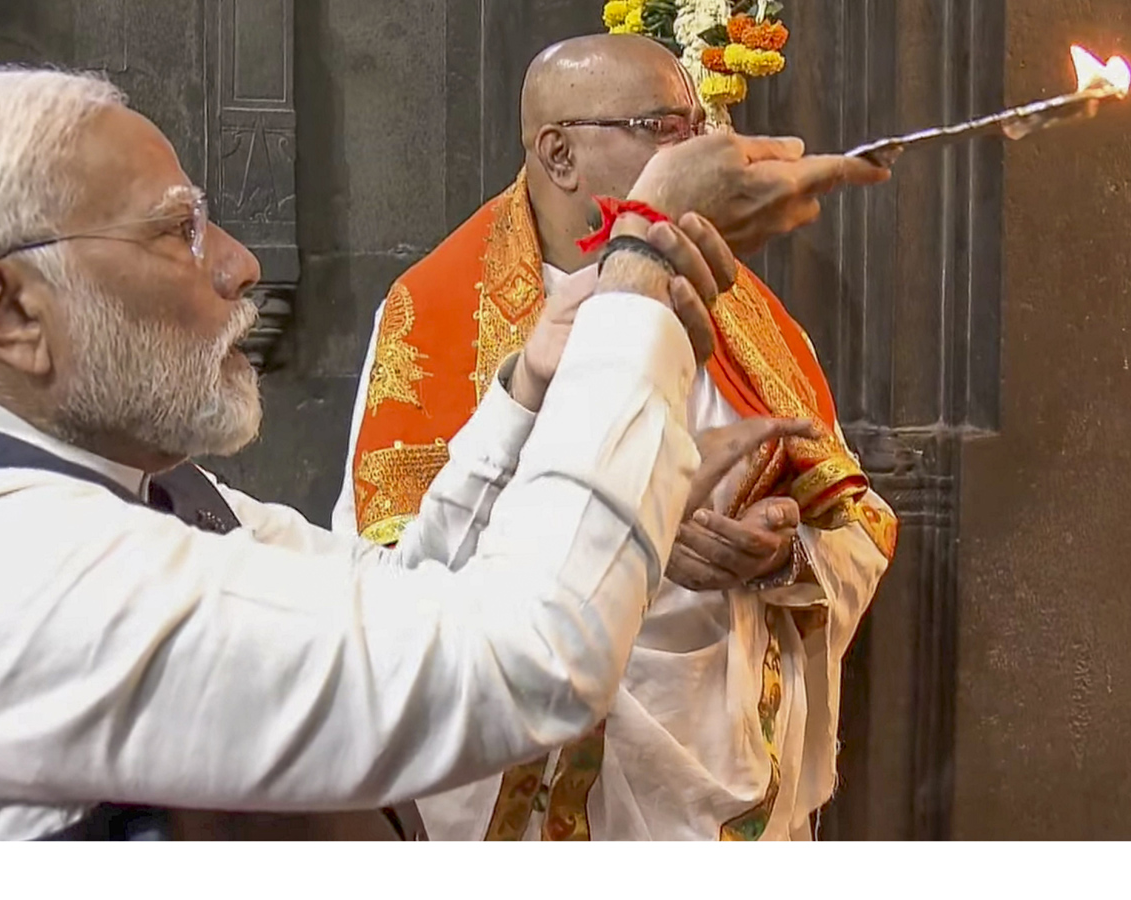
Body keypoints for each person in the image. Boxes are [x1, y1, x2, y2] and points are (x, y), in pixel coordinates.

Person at [0, 65, 851, 840]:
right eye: (178, 230)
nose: (239, 263)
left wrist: (527, 393)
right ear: (9, 311)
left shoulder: (148, 487)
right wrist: (641, 273)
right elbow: (529, 662)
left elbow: (398, 585)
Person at [333, 33, 898, 840]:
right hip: (527, 766)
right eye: (666, 127)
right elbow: (403, 569)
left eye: (696, 121)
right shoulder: (440, 317)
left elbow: (857, 519)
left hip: (715, 760)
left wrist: (783, 554)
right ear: (559, 154)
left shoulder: (747, 314)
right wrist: (635, 537)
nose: (701, 147)